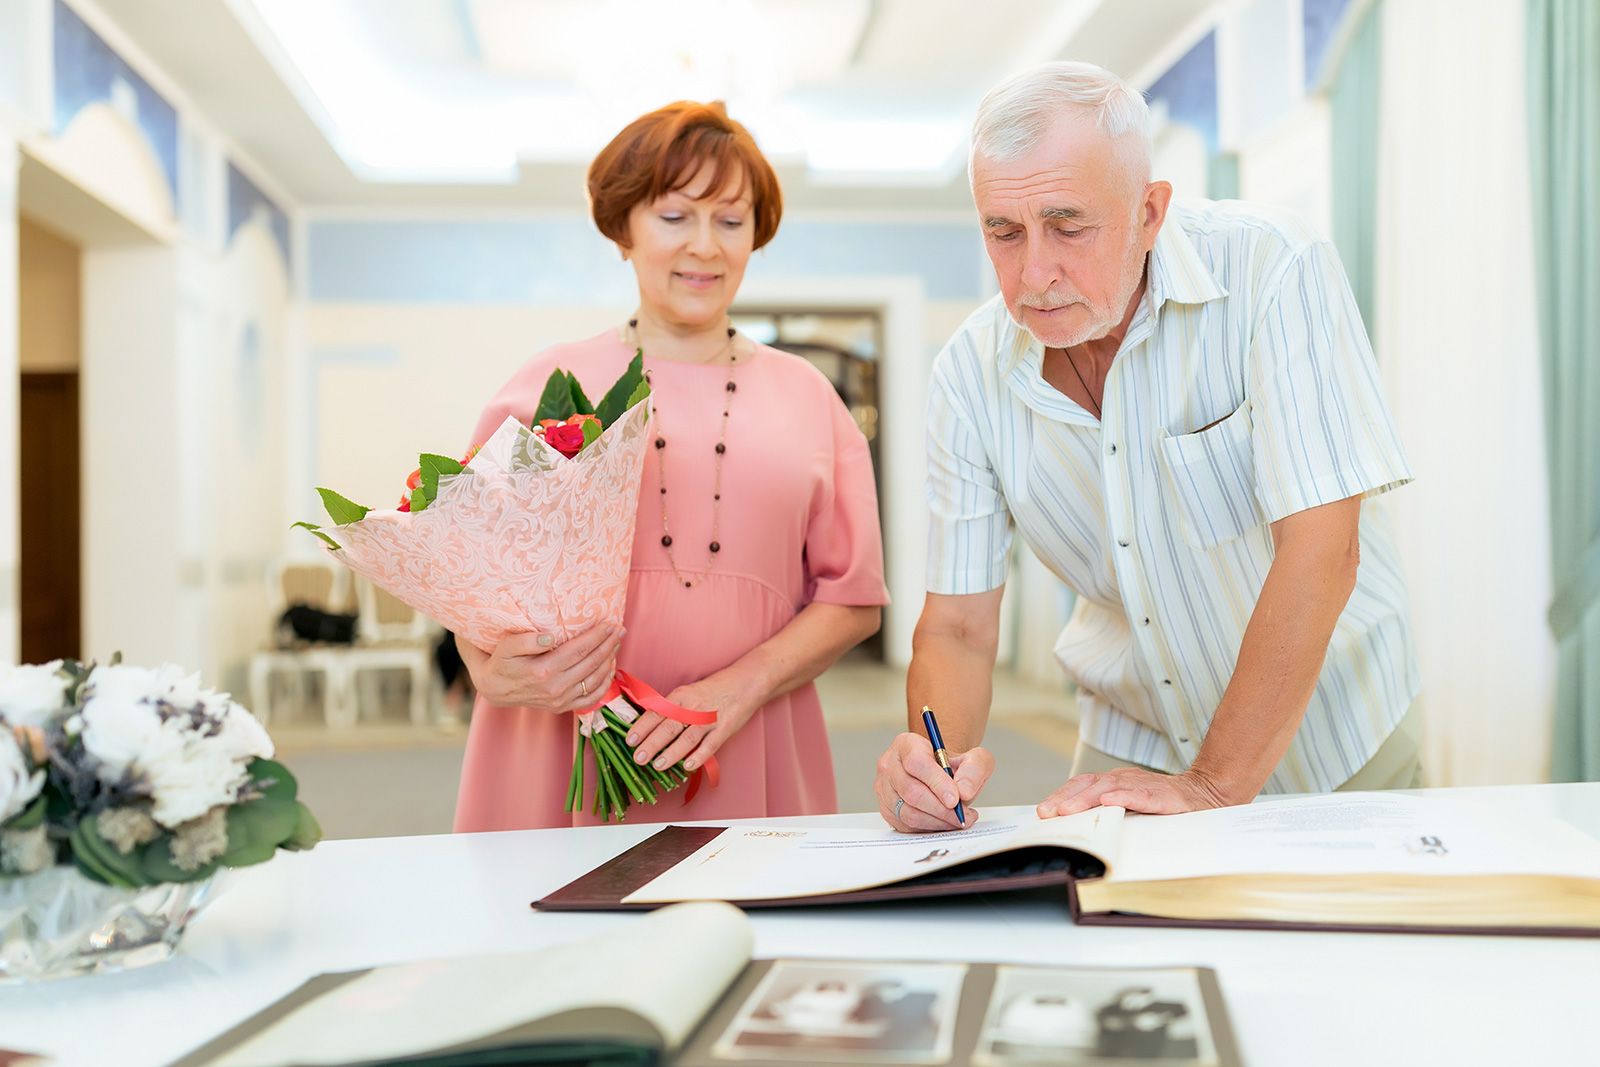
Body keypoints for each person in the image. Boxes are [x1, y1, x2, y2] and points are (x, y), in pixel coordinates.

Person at [874, 61, 1420, 833]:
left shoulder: (1273, 270)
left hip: (1337, 731)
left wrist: (1213, 783)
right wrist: (937, 768)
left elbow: (1322, 551)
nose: (1035, 272)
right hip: (1133, 746)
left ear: (1150, 212)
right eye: (1004, 232)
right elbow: (959, 622)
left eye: (1069, 226)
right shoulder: (967, 375)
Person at [454, 101, 887, 831]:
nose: (706, 247)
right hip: (559, 741)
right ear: (624, 229)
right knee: (557, 940)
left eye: (730, 220)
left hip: (746, 738)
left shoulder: (811, 399)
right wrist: (484, 666)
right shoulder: (545, 384)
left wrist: (737, 688)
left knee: (746, 935)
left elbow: (853, 599)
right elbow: (471, 571)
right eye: (675, 216)